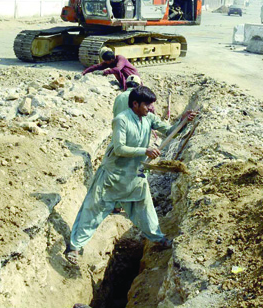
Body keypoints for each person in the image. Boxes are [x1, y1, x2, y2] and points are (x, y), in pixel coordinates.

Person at [65, 86, 196, 266]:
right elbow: (119, 148)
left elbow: (171, 130)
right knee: (93, 209)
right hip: (114, 173)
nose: (151, 108)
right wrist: (145, 150)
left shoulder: (148, 118)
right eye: (147, 105)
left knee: (145, 207)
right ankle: (75, 247)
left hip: (136, 172)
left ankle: (158, 239)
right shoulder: (122, 120)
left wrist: (183, 121)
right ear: (135, 104)